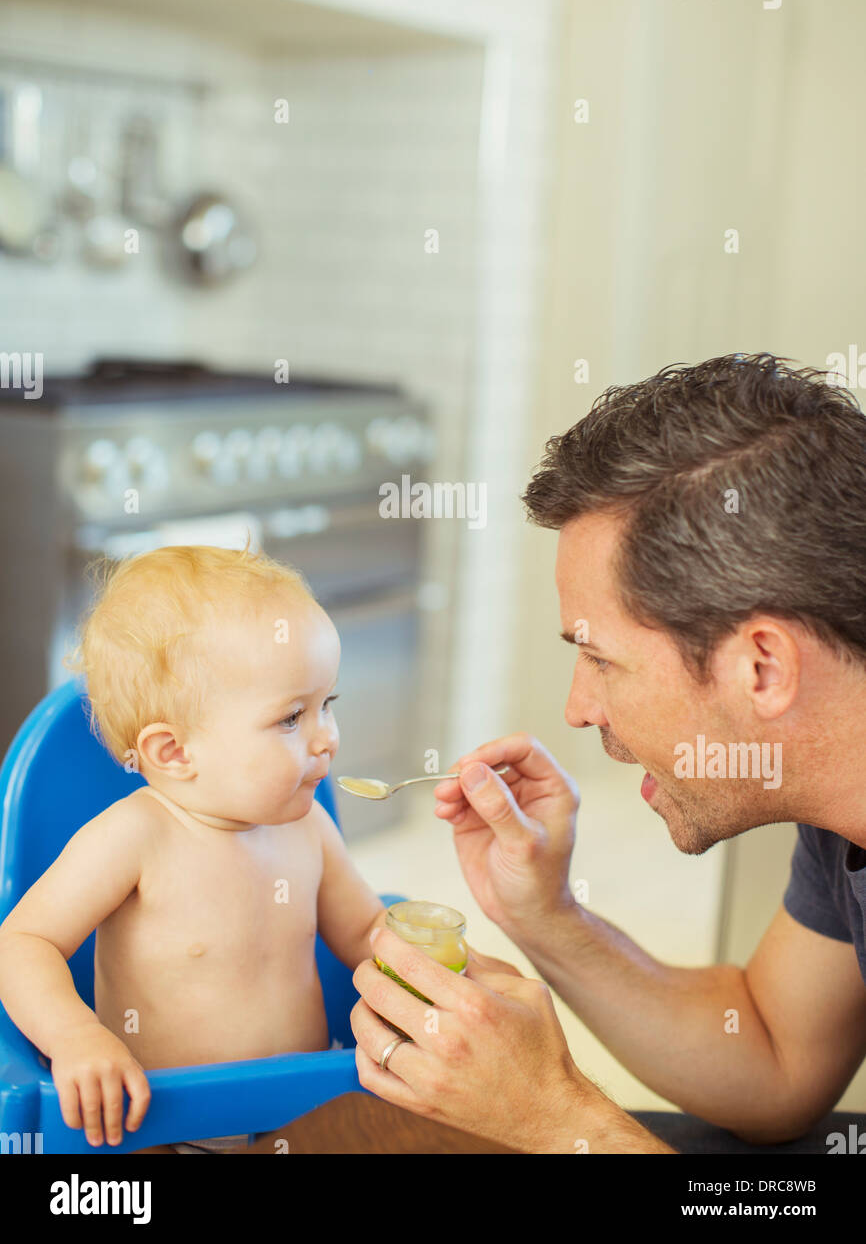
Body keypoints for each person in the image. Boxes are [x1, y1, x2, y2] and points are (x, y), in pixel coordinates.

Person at [351, 352, 866, 1154]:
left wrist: (557, 1121)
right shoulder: (843, 812)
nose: (577, 710)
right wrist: (546, 917)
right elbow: (777, 1062)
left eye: (600, 660)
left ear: (762, 667)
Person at [0, 544, 391, 1153]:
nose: (327, 740)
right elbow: (22, 943)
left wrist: (426, 963)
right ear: (174, 752)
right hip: (160, 1125)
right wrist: (76, 1037)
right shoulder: (133, 837)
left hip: (302, 1110)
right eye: (292, 718)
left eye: (326, 705)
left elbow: (364, 929)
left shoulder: (308, 824)